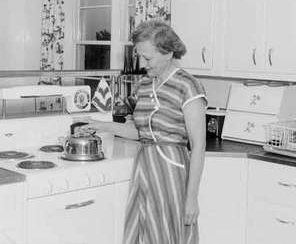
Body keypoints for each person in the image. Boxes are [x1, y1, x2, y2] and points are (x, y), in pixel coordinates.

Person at [84, 20, 207, 244]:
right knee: (143, 233)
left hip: (172, 171)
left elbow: (199, 146)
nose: (142, 63)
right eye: (140, 56)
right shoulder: (144, 84)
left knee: (169, 234)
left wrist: (191, 198)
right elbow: (140, 134)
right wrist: (100, 125)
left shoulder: (188, 86)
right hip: (145, 168)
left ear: (168, 52)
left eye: (147, 58)